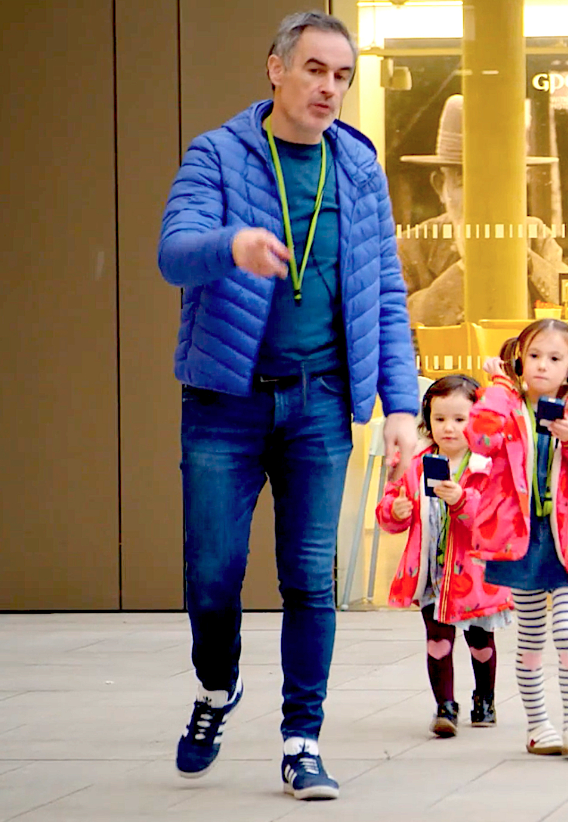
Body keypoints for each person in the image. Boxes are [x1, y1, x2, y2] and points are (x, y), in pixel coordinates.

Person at [157, 12, 420, 800]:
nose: (329, 88)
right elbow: (174, 252)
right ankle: (217, 688)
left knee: (310, 578)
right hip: (225, 402)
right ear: (275, 69)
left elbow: (385, 292)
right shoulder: (217, 154)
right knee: (213, 575)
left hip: (320, 403)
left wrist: (401, 406)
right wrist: (231, 245)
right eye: (314, 69)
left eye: (342, 76)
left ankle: (302, 740)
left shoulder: (359, 167)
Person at [470, 319, 568, 759]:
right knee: (531, 637)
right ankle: (538, 727)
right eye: (534, 356)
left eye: (554, 358)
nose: (542, 366)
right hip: (518, 540)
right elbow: (479, 440)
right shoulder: (505, 404)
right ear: (518, 359)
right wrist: (499, 387)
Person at [377, 376, 512, 738]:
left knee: (480, 641)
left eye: (459, 419)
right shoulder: (416, 462)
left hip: (475, 574)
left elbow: (496, 518)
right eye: (439, 419)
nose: (448, 428)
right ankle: (445, 706)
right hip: (431, 573)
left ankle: (485, 697)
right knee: (437, 639)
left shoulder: (487, 465)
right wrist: (396, 510)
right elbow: (388, 507)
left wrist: (462, 500)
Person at [399, 94, 568, 326]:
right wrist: (467, 268)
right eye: (467, 180)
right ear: (440, 186)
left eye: (501, 179)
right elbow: (395, 323)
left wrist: (526, 261)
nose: (485, 197)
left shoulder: (535, 236)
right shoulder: (410, 248)